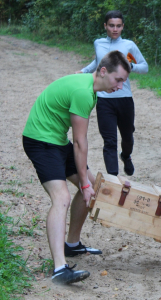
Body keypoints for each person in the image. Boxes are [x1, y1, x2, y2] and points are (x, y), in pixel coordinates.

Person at [23, 51, 131, 284]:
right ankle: (60, 269)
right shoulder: (84, 92)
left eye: (123, 81)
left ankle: (71, 244)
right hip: (41, 141)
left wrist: (86, 182)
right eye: (118, 80)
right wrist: (82, 181)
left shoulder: (90, 88)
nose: (120, 86)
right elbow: (81, 142)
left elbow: (77, 145)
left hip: (57, 141)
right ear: (103, 71)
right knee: (61, 198)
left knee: (92, 187)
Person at [77, 10, 148, 176]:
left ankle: (126, 156)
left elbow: (145, 67)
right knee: (109, 141)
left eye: (118, 26)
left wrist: (132, 66)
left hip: (124, 98)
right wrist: (83, 71)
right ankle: (114, 178)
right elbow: (98, 63)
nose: (115, 29)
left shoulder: (129, 45)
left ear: (123, 26)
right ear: (105, 26)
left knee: (127, 137)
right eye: (111, 26)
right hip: (104, 99)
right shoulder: (98, 43)